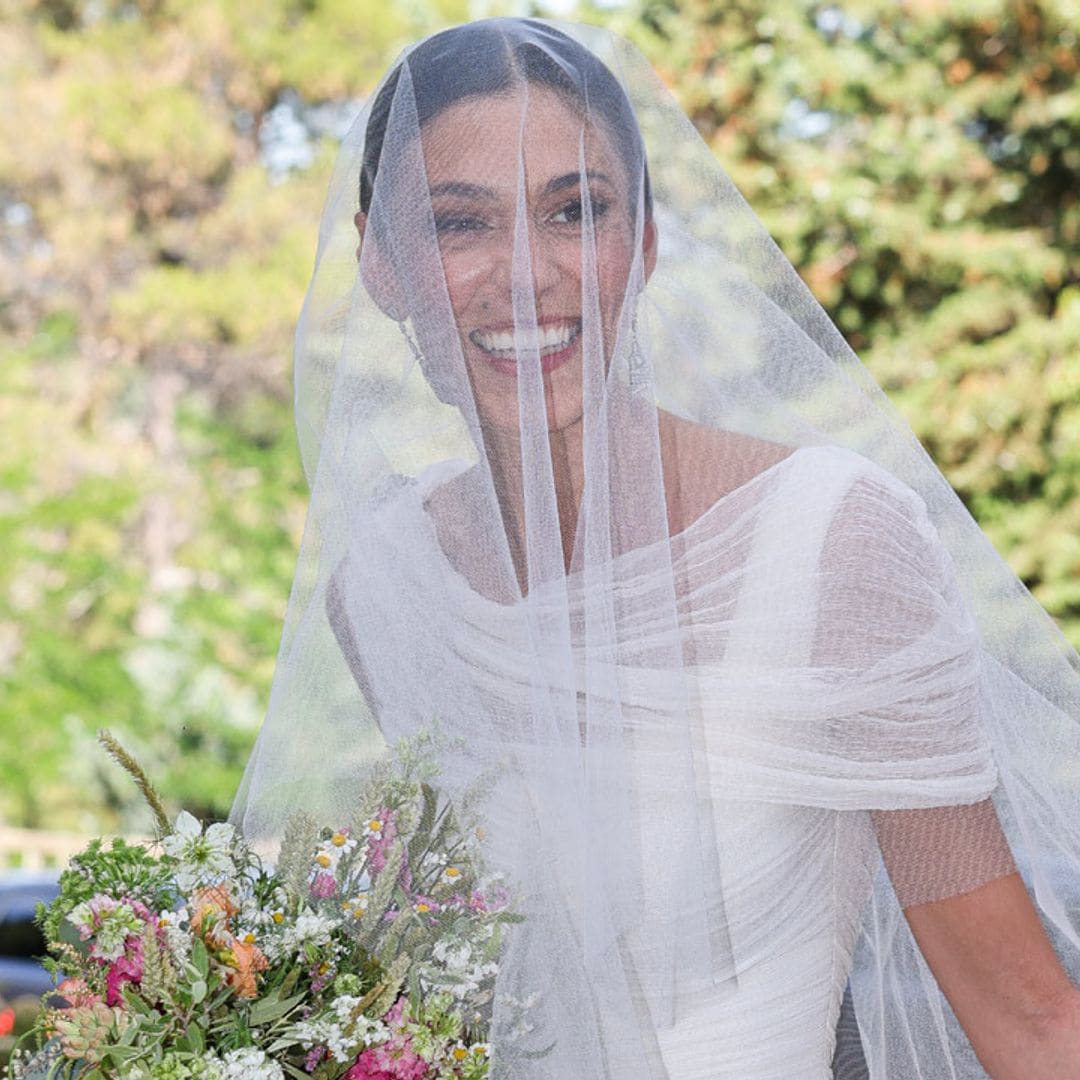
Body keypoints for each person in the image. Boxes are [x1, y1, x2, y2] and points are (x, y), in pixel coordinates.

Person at [230, 18, 1080, 1079]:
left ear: (644, 243)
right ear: (379, 265)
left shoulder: (830, 541)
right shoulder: (389, 587)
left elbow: (1029, 1019)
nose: (528, 274)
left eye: (574, 211)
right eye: (460, 224)